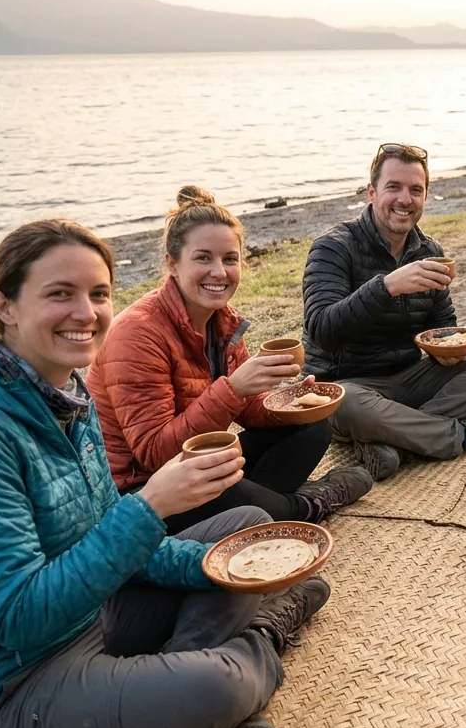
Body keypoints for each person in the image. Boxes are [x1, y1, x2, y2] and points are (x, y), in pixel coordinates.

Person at [0, 220, 327, 728]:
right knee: (218, 686)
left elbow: (113, 539)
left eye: (99, 293)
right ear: (5, 306)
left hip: (93, 614)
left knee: (244, 535)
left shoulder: (66, 393)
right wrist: (151, 507)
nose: (85, 313)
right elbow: (20, 619)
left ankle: (164, 698)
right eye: (60, 294)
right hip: (5, 691)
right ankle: (259, 638)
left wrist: (216, 567)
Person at [89, 187, 372, 535]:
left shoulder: (222, 321)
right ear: (172, 264)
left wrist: (291, 403)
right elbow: (154, 454)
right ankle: (308, 505)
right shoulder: (138, 333)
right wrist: (233, 388)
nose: (219, 272)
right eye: (203, 258)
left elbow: (248, 412)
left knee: (312, 427)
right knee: (217, 477)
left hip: (197, 463)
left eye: (230, 259)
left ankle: (257, 512)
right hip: (141, 490)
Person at [302, 143, 466, 480]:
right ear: (372, 192)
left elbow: (442, 325)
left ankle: (396, 441)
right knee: (345, 402)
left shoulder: (429, 251)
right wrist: (387, 286)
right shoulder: (333, 247)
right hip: (349, 385)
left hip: (410, 380)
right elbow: (322, 329)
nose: (405, 199)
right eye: (393, 187)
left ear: (425, 196)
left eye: (416, 190)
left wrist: (449, 351)